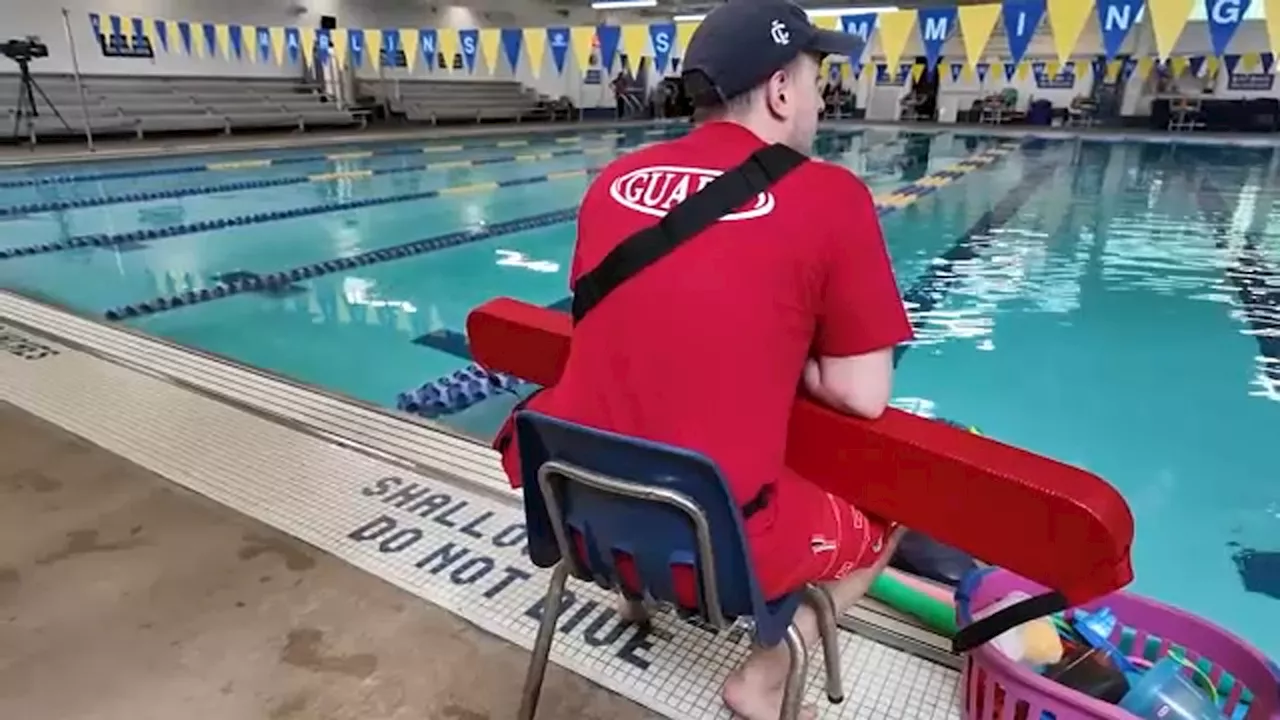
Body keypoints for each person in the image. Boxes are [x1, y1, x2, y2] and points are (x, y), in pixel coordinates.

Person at [500, 0, 913, 716]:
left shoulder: (612, 183)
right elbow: (863, 394)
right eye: (817, 78)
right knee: (893, 507)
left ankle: (636, 601)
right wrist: (801, 359)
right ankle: (766, 672)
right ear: (782, 91)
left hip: (576, 513)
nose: (822, 97)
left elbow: (629, 323)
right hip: (719, 551)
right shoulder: (831, 196)